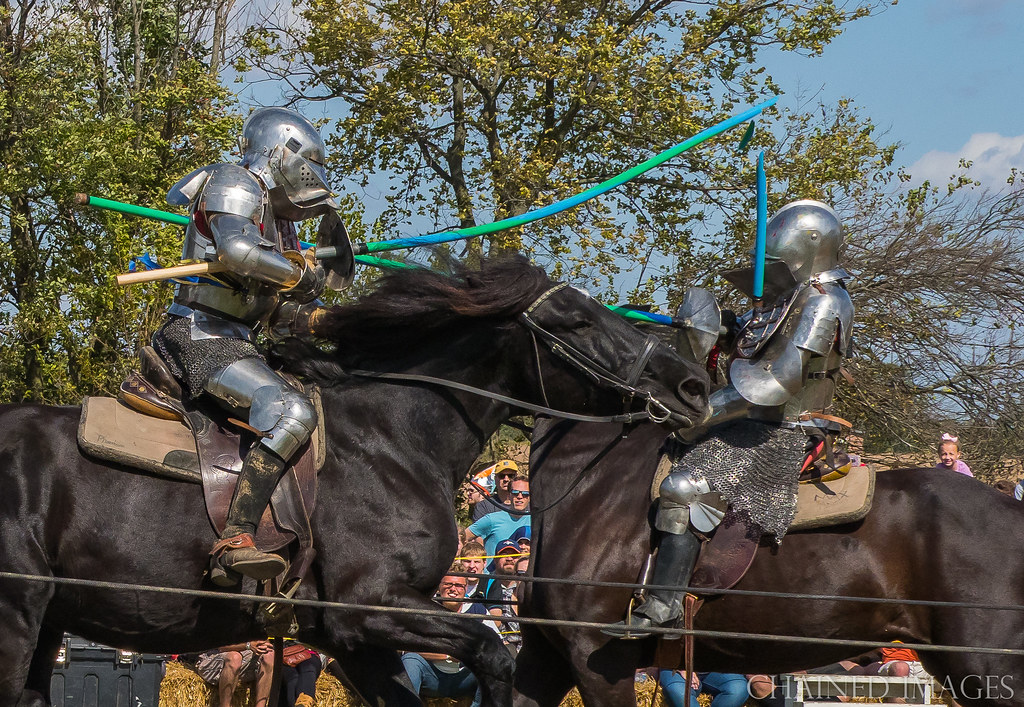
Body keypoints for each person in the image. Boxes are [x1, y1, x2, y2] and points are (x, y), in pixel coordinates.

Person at [607, 200, 855, 637]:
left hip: (780, 430)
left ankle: (664, 604)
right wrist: (706, 326)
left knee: (683, 488)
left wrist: (703, 414)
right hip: (751, 422)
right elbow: (747, 334)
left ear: (811, 243)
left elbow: (777, 382)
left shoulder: (824, 302)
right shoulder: (785, 300)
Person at [150, 107, 353, 585]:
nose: (312, 173)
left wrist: (322, 318)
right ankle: (236, 537)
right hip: (201, 334)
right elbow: (237, 252)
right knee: (293, 414)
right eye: (309, 161)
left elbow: (271, 308)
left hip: (241, 340)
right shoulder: (234, 182)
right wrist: (301, 273)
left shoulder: (280, 222)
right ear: (281, 152)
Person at [400, 571, 490, 706]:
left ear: (466, 588)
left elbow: (496, 647)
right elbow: (405, 648)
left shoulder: (479, 611)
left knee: (491, 663)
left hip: (466, 676)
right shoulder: (424, 610)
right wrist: (448, 655)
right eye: (448, 584)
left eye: (459, 585)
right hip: (431, 676)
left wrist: (468, 655)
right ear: (438, 587)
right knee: (410, 660)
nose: (453, 589)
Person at [464, 476, 530, 562]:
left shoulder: (535, 521)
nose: (520, 497)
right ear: (509, 495)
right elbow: (463, 537)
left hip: (523, 573)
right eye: (515, 493)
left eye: (525, 494)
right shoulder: (492, 519)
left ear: (529, 497)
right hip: (493, 574)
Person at [193, 640, 275, 707]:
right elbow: (222, 646)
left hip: (243, 655)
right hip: (210, 660)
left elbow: (265, 641)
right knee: (234, 658)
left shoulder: (253, 620)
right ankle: (225, 705)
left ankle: (261, 705)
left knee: (269, 656)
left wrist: (263, 645)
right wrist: (248, 645)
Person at [659, 671, 750, 707]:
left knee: (738, 688)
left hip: (715, 668)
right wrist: (682, 667)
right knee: (678, 691)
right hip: (676, 666)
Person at [279, 640, 320, 707]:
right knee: (292, 678)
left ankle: (304, 702)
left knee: (308, 668)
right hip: (280, 653)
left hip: (307, 651)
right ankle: (303, 703)